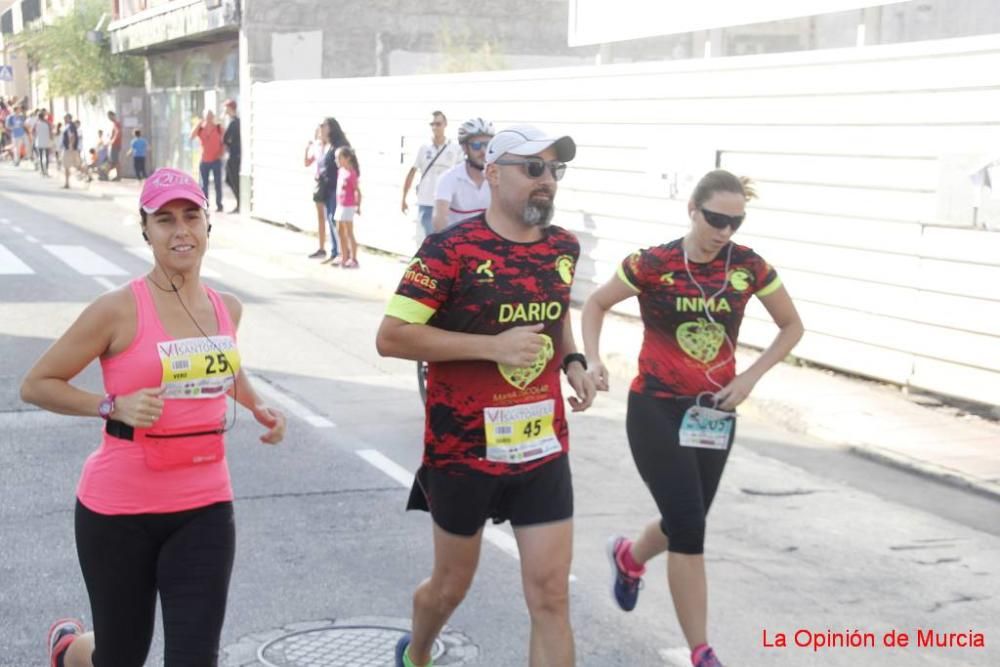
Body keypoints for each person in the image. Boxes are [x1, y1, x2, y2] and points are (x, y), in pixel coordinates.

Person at [20, 166, 287, 667]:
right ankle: (69, 650)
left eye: (191, 216)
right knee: (121, 657)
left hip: (205, 504)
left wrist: (256, 405)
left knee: (193, 658)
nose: (180, 230)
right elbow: (36, 384)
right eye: (164, 219)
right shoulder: (116, 309)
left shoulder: (226, 307)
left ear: (209, 225)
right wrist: (109, 405)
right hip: (118, 511)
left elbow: (222, 363)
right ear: (146, 230)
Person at [377, 125, 594, 667]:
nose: (547, 181)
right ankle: (419, 650)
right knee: (450, 587)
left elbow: (553, 313)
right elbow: (392, 336)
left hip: (540, 447)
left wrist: (573, 361)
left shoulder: (563, 247)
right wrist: (490, 347)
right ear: (493, 174)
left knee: (551, 595)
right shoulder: (450, 249)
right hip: (463, 449)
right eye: (533, 168)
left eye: (555, 171)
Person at [580, 169, 804, 667]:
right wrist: (594, 360)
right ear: (692, 209)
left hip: (714, 413)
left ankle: (629, 557)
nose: (724, 232)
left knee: (688, 519)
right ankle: (701, 651)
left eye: (735, 222)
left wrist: (750, 379)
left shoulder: (748, 267)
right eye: (716, 219)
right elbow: (595, 303)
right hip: (655, 407)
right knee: (688, 526)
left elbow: (792, 326)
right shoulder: (652, 262)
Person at [401, 111, 463, 239]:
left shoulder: (454, 148)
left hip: (447, 203)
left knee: (445, 240)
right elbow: (412, 172)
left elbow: (461, 175)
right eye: (432, 124)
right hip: (426, 201)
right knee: (427, 240)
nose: (435, 127)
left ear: (445, 124)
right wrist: (404, 198)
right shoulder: (423, 148)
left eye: (438, 124)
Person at [431, 118, 494, 233]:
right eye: (476, 145)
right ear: (465, 148)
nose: (483, 151)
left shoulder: (498, 178)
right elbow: (440, 220)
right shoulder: (449, 178)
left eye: (488, 145)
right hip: (458, 243)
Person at [319, 117, 352, 266]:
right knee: (331, 220)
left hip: (337, 189)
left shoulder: (341, 145)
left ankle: (343, 252)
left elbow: (347, 166)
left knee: (338, 222)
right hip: (329, 188)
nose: (321, 128)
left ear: (331, 127)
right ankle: (335, 251)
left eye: (323, 125)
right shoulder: (330, 145)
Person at [304, 124, 333, 259]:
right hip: (320, 183)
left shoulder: (331, 147)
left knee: (332, 217)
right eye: (319, 132)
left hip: (330, 183)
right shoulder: (317, 147)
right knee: (321, 217)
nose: (320, 135)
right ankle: (321, 248)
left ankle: (336, 249)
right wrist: (306, 149)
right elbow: (307, 162)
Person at [190, 109, 225, 212]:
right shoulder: (201, 129)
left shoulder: (218, 128)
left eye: (211, 115)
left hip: (216, 160)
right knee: (204, 185)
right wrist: (198, 123)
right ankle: (205, 205)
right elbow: (191, 136)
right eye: (207, 116)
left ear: (213, 116)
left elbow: (225, 140)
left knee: (218, 184)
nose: (209, 118)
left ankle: (219, 205)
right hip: (204, 161)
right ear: (204, 117)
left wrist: (221, 152)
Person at [333, 146, 362, 268]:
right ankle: (344, 256)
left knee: (349, 232)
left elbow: (357, 191)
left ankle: (354, 258)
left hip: (348, 205)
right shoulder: (341, 171)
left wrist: (358, 206)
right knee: (340, 231)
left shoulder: (352, 173)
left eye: (339, 158)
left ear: (348, 158)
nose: (337, 161)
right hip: (340, 204)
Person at [223, 99, 241, 213]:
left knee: (233, 179)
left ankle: (240, 203)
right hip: (234, 154)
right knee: (229, 179)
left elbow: (225, 139)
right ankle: (239, 202)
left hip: (235, 156)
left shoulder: (234, 122)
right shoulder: (234, 121)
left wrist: (229, 144)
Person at [61, 114, 83, 189]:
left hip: (70, 150)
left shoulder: (70, 126)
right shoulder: (69, 126)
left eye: (65, 118)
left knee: (74, 165)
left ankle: (88, 175)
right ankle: (66, 183)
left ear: (69, 118)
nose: (64, 119)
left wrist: (71, 146)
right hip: (70, 149)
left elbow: (72, 136)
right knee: (69, 166)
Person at [33, 109, 53, 177]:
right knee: (46, 156)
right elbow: (51, 132)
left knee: (41, 156)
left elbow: (33, 133)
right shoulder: (48, 123)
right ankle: (46, 170)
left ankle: (42, 170)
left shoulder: (36, 124)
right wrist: (51, 140)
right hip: (46, 141)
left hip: (39, 141)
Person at [107, 110, 123, 181]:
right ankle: (114, 175)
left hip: (116, 145)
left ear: (113, 115)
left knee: (116, 161)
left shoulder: (116, 123)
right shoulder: (115, 124)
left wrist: (113, 141)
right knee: (114, 161)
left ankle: (118, 176)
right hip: (115, 145)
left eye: (110, 116)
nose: (109, 118)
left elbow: (118, 133)